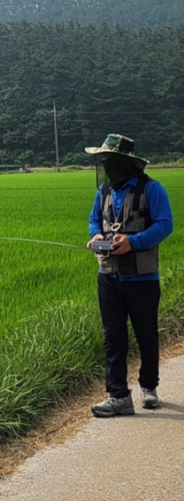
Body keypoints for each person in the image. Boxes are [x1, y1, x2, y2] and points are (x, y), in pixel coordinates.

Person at [86, 134, 174, 417]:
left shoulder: (152, 189)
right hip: (108, 276)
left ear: (125, 162)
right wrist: (96, 235)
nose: (105, 164)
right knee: (113, 337)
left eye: (109, 159)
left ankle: (149, 387)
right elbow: (93, 220)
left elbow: (165, 224)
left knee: (146, 334)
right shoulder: (105, 191)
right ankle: (118, 395)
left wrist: (132, 242)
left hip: (142, 278)